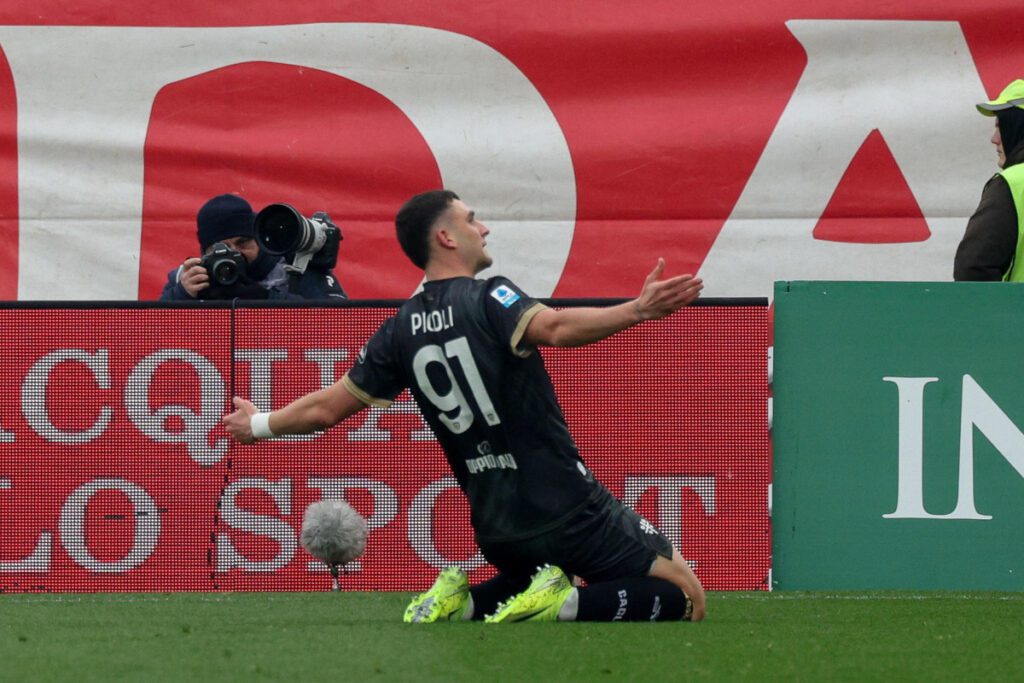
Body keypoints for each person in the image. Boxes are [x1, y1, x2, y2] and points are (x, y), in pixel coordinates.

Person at [223, 189, 707, 623]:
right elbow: (557, 329)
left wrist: (259, 423)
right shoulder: (491, 296)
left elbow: (327, 410)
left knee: (528, 585)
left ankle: (465, 602)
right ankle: (566, 606)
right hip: (566, 506)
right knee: (684, 595)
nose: (484, 228)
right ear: (446, 237)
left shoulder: (398, 329)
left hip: (496, 527)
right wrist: (638, 310)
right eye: (472, 219)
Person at [159, 194, 347, 300]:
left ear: (258, 239)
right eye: (222, 246)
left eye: (242, 243)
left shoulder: (294, 268)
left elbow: (339, 321)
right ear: (205, 252)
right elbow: (152, 332)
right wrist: (182, 294)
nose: (235, 252)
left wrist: (264, 299)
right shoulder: (189, 277)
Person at [954, 79, 1024, 281]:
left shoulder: (1013, 182)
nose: (994, 138)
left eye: (1000, 126)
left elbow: (973, 267)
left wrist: (1001, 313)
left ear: (1018, 127)